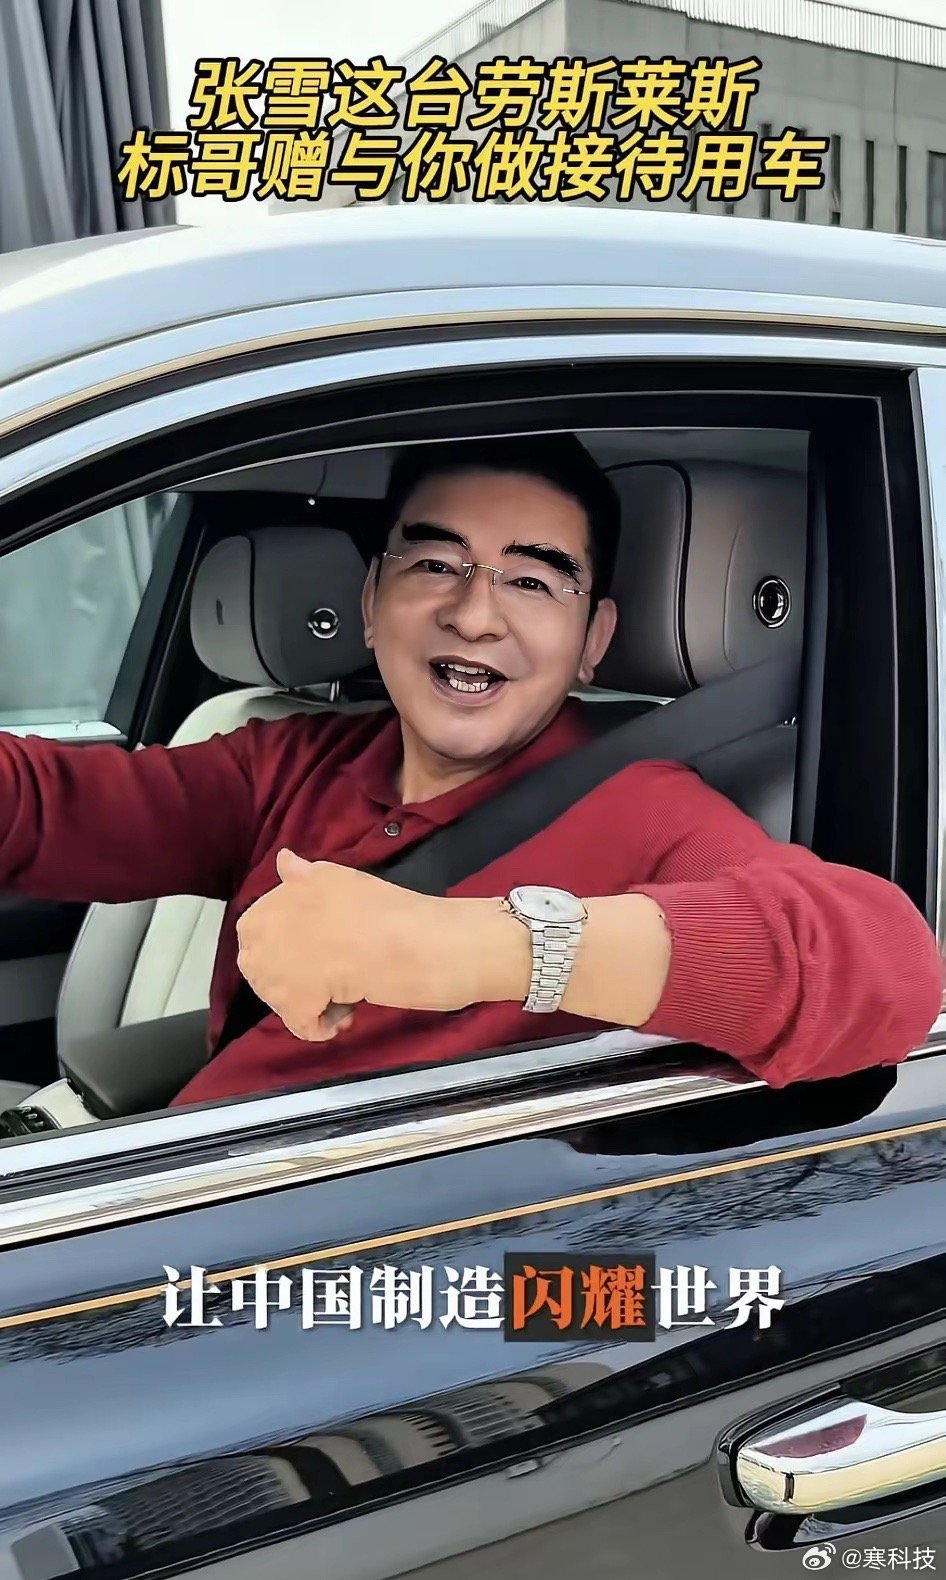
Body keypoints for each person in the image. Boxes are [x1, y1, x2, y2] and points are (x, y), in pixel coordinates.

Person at [0, 435, 940, 1110]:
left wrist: (475, 948)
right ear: (371, 602)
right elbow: (41, 810)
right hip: (180, 1199)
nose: (475, 615)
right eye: (435, 563)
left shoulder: (644, 809)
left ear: (594, 640)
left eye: (532, 580)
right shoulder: (288, 759)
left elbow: (888, 971)